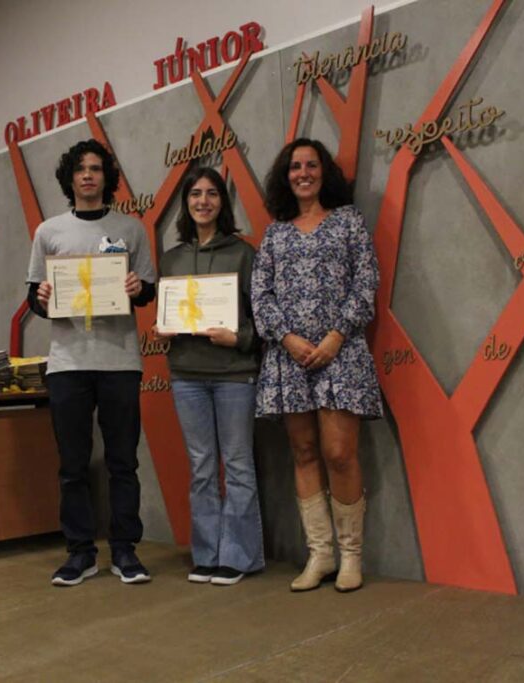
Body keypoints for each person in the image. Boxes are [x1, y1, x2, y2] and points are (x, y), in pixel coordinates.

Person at [251, 138, 382, 593]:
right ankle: (320, 555)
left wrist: (335, 336)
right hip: (290, 358)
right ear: (285, 177)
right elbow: (261, 295)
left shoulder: (348, 222)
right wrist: (287, 338)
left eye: (310, 165)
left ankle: (351, 556)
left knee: (339, 453)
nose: (303, 173)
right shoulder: (275, 234)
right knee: (304, 452)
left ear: (324, 171)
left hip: (340, 355)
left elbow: (366, 281)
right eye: (294, 167)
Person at [26, 139, 157, 587]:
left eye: (96, 168)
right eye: (80, 168)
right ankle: (80, 552)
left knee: (123, 462)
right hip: (67, 363)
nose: (88, 175)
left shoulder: (131, 229)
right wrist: (43, 298)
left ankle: (124, 550)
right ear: (70, 177)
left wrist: (138, 288)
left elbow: (147, 290)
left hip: (120, 360)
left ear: (107, 177)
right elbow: (36, 297)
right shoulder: (49, 232)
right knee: (73, 465)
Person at [155, 167, 264, 586]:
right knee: (201, 467)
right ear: (186, 203)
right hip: (186, 374)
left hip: (234, 374)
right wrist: (164, 329)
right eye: (195, 194)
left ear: (223, 201)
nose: (203, 201)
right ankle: (206, 554)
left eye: (212, 193)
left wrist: (238, 338)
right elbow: (169, 314)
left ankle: (238, 557)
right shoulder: (172, 259)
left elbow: (262, 322)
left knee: (237, 465)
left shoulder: (244, 254)